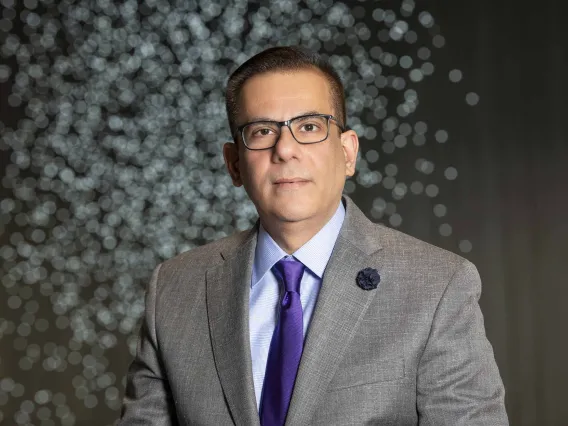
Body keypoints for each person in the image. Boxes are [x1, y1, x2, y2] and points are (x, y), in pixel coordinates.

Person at [118, 46, 508, 425]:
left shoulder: (437, 285)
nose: (285, 149)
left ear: (347, 152)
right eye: (262, 130)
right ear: (234, 164)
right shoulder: (175, 288)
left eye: (309, 126)